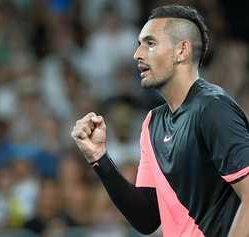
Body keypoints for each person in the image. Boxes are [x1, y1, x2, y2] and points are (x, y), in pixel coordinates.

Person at [71, 4, 249, 237]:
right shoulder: (152, 123)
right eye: (139, 45)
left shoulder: (213, 108)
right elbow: (147, 219)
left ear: (181, 51)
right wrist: (99, 159)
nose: (137, 54)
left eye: (150, 43)